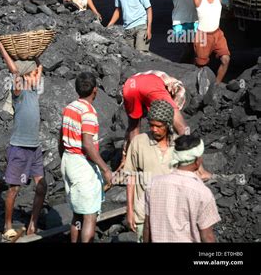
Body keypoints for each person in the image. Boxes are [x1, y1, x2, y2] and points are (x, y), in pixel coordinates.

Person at [0, 35, 47, 240]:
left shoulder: (34, 90)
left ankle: (32, 224)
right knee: (14, 188)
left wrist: (37, 55)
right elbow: (14, 70)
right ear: (25, 75)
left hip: (35, 148)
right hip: (19, 147)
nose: (37, 76)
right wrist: (1, 47)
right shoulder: (19, 91)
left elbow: (40, 68)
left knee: (42, 186)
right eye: (32, 74)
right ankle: (7, 226)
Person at [59, 72, 112, 243]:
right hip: (81, 164)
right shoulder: (88, 112)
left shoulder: (70, 107)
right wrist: (105, 169)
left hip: (68, 160)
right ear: (95, 90)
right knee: (89, 216)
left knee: (77, 213)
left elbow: (60, 138)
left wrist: (65, 158)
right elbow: (88, 144)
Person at [143, 135, 221, 242]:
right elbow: (207, 236)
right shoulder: (202, 193)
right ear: (198, 161)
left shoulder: (153, 184)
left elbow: (147, 226)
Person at [123, 100, 175, 243]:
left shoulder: (179, 145)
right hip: (143, 214)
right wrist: (130, 210)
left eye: (158, 126)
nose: (154, 129)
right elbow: (131, 178)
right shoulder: (139, 142)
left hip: (172, 215)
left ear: (168, 125)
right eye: (151, 125)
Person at [182, 0, 239, 84]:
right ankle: (195, 86)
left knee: (225, 60)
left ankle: (216, 85)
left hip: (217, 34)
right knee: (201, 66)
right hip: (202, 36)